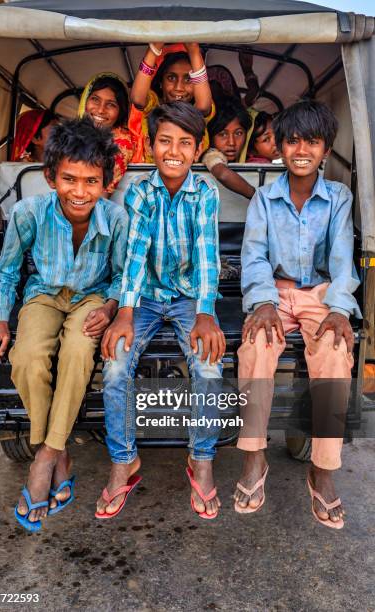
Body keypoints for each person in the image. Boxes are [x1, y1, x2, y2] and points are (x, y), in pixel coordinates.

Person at [0, 117, 129, 532]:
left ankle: (44, 456)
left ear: (107, 183)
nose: (80, 191)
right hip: (43, 293)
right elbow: (6, 271)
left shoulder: (116, 220)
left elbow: (121, 275)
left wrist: (112, 306)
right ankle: (58, 450)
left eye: (91, 181)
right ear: (49, 176)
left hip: (93, 297)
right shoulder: (29, 212)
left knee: (80, 351)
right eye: (69, 179)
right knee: (25, 358)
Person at [234, 100, 361, 529]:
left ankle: (322, 471)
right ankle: (254, 459)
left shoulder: (338, 198)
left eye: (312, 141)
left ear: (326, 149)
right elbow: (253, 257)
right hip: (275, 291)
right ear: (280, 148)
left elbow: (344, 260)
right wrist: (264, 301)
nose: (301, 149)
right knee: (255, 345)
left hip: (321, 294)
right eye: (291, 140)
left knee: (333, 351)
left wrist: (340, 308)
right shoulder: (265, 199)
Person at [96, 102, 226, 520]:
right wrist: (126, 311)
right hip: (147, 296)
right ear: (150, 146)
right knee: (115, 366)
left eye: (185, 143)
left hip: (191, 298)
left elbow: (208, 257)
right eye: (165, 141)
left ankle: (201, 459)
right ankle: (124, 461)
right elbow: (134, 254)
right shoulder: (140, 193)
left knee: (209, 368)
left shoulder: (206, 192)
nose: (174, 151)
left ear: (197, 148)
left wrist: (205, 312)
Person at [129, 43, 215, 162]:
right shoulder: (153, 106)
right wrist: (154, 48)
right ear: (161, 82)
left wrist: (194, 52)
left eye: (188, 79)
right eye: (171, 78)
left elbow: (204, 106)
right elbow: (137, 98)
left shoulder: (196, 114)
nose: (179, 87)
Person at [78, 72, 134, 196]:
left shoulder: (120, 142)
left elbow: (99, 196)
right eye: (95, 99)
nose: (100, 110)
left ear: (121, 111)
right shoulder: (78, 135)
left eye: (111, 104)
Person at [202, 97, 255, 199]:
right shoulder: (211, 154)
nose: (231, 142)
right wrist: (256, 195)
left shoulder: (249, 155)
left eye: (238, 133)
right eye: (223, 134)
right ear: (211, 136)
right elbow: (222, 174)